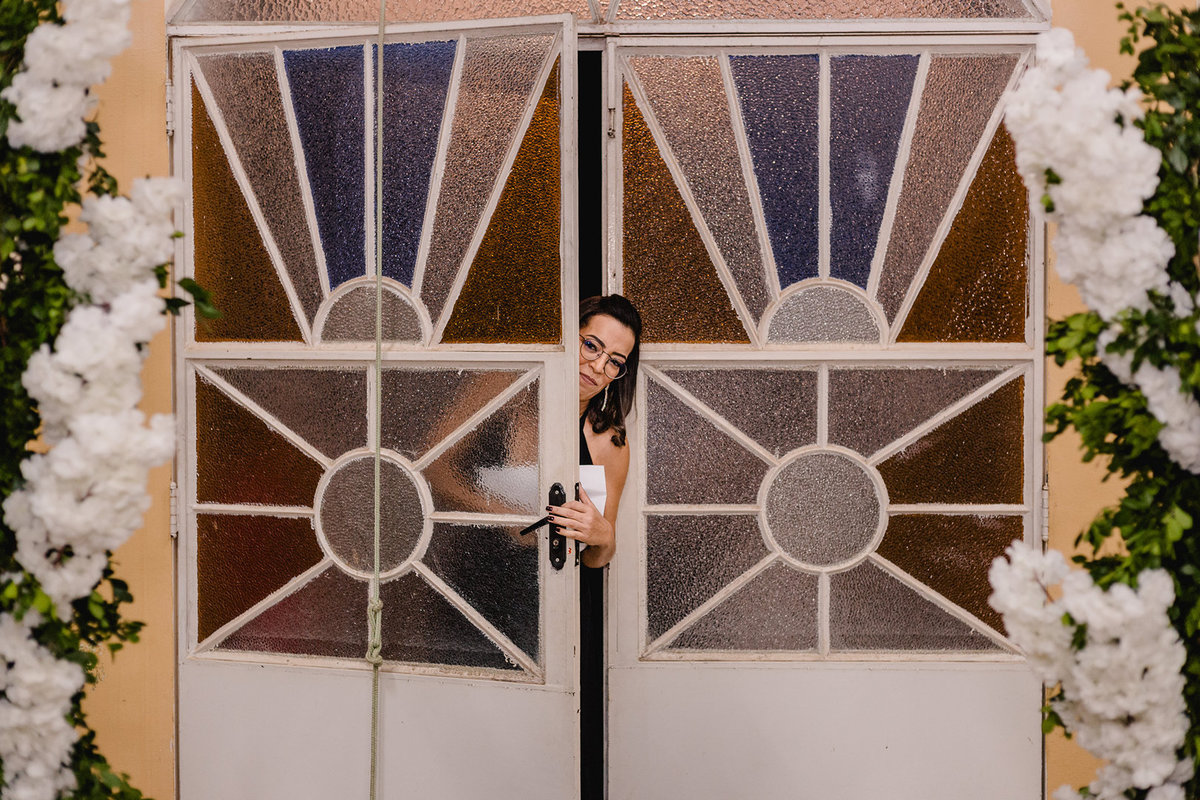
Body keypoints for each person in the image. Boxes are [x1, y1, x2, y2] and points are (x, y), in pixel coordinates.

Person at [547, 294, 641, 800]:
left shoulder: (608, 441)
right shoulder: (506, 392)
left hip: (552, 601)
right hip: (464, 573)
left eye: (614, 362)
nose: (598, 365)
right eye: (591, 345)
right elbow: (439, 473)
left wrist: (603, 535)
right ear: (570, 333)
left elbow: (601, 554)